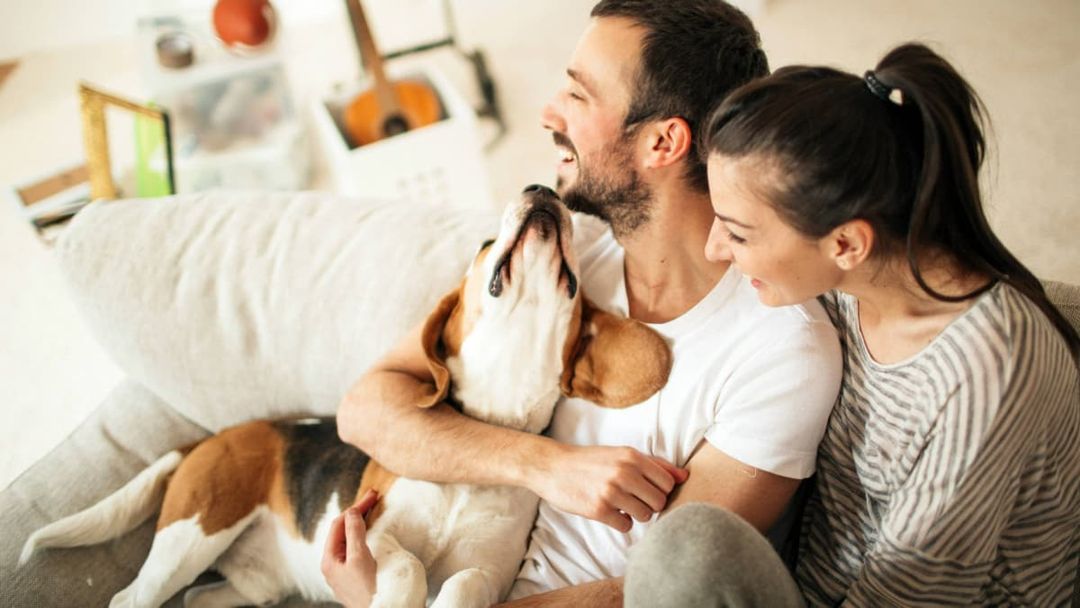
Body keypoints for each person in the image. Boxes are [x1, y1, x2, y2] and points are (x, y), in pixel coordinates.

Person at [326, 1, 844, 605]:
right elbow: (364, 410)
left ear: (662, 142)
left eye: (579, 95)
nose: (548, 112)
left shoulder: (782, 351)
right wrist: (544, 465)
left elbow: (657, 593)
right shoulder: (570, 254)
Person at [623, 42, 1080, 607]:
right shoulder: (840, 286)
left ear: (846, 243)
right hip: (813, 576)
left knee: (686, 550)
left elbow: (911, 595)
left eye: (738, 232)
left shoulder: (987, 368)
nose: (717, 248)